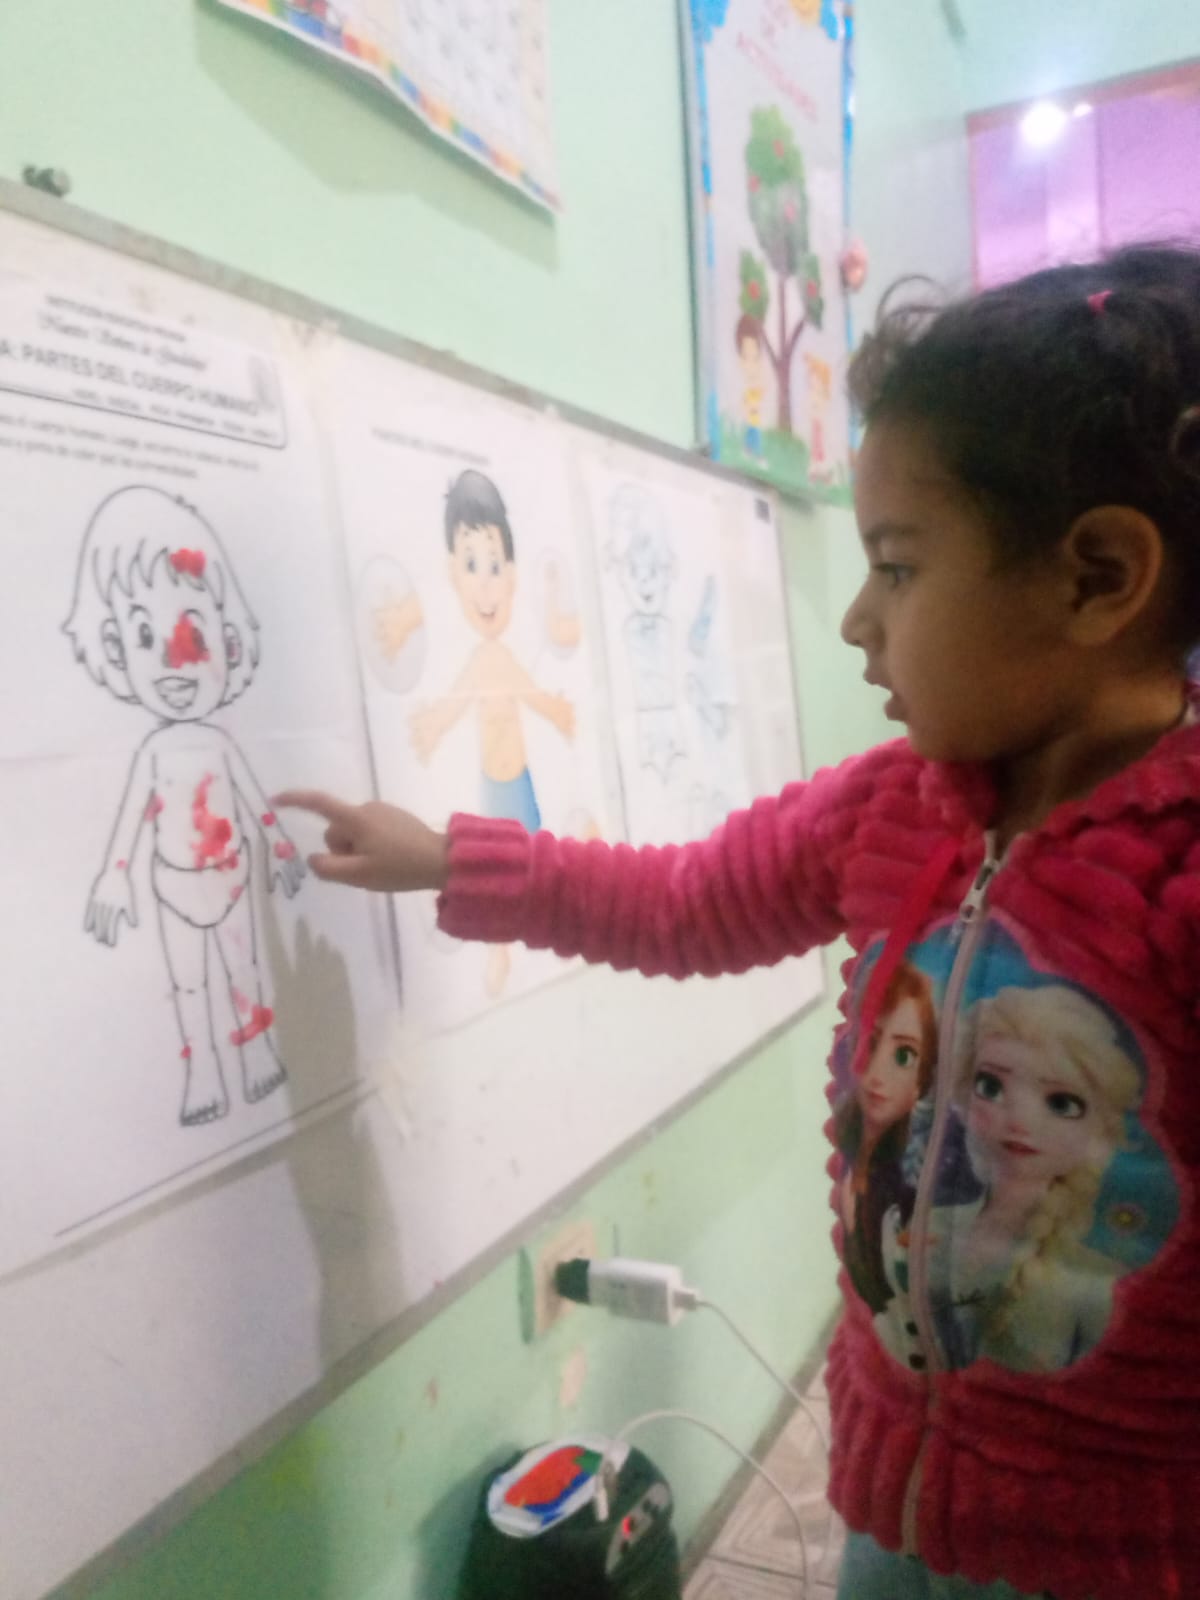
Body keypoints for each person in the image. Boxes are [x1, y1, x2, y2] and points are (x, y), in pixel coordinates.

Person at [278, 247, 1200, 1598]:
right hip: (895, 1492)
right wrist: (452, 858)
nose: (856, 620)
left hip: (1110, 1553)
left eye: (897, 568)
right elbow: (683, 902)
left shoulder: (1181, 875)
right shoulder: (886, 811)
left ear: (1099, 577)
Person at [64, 486, 305, 1126]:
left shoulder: (220, 744)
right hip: (173, 885)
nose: (174, 661)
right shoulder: (151, 752)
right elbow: (131, 820)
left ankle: (256, 1055)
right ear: (116, 648)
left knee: (244, 970)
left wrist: (282, 846)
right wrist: (114, 874)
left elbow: (254, 800)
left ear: (228, 643)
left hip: (230, 875)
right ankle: (201, 1074)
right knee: (189, 984)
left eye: (193, 633)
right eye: (147, 634)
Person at [407, 468, 575, 995]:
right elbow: (457, 704)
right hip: (494, 784)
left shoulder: (498, 658)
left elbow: (529, 693)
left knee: (530, 860)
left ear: (513, 575)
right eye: (471, 564)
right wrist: (434, 726)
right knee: (506, 869)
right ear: (452, 574)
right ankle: (503, 948)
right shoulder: (482, 660)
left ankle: (528, 937)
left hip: (518, 781)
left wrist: (557, 712)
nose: (485, 582)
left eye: (494, 565)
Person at [833, 960, 937, 1314]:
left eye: (904, 1055)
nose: (878, 1073)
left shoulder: (909, 1185)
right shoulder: (847, 1141)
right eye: (871, 1043)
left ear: (923, 1077)